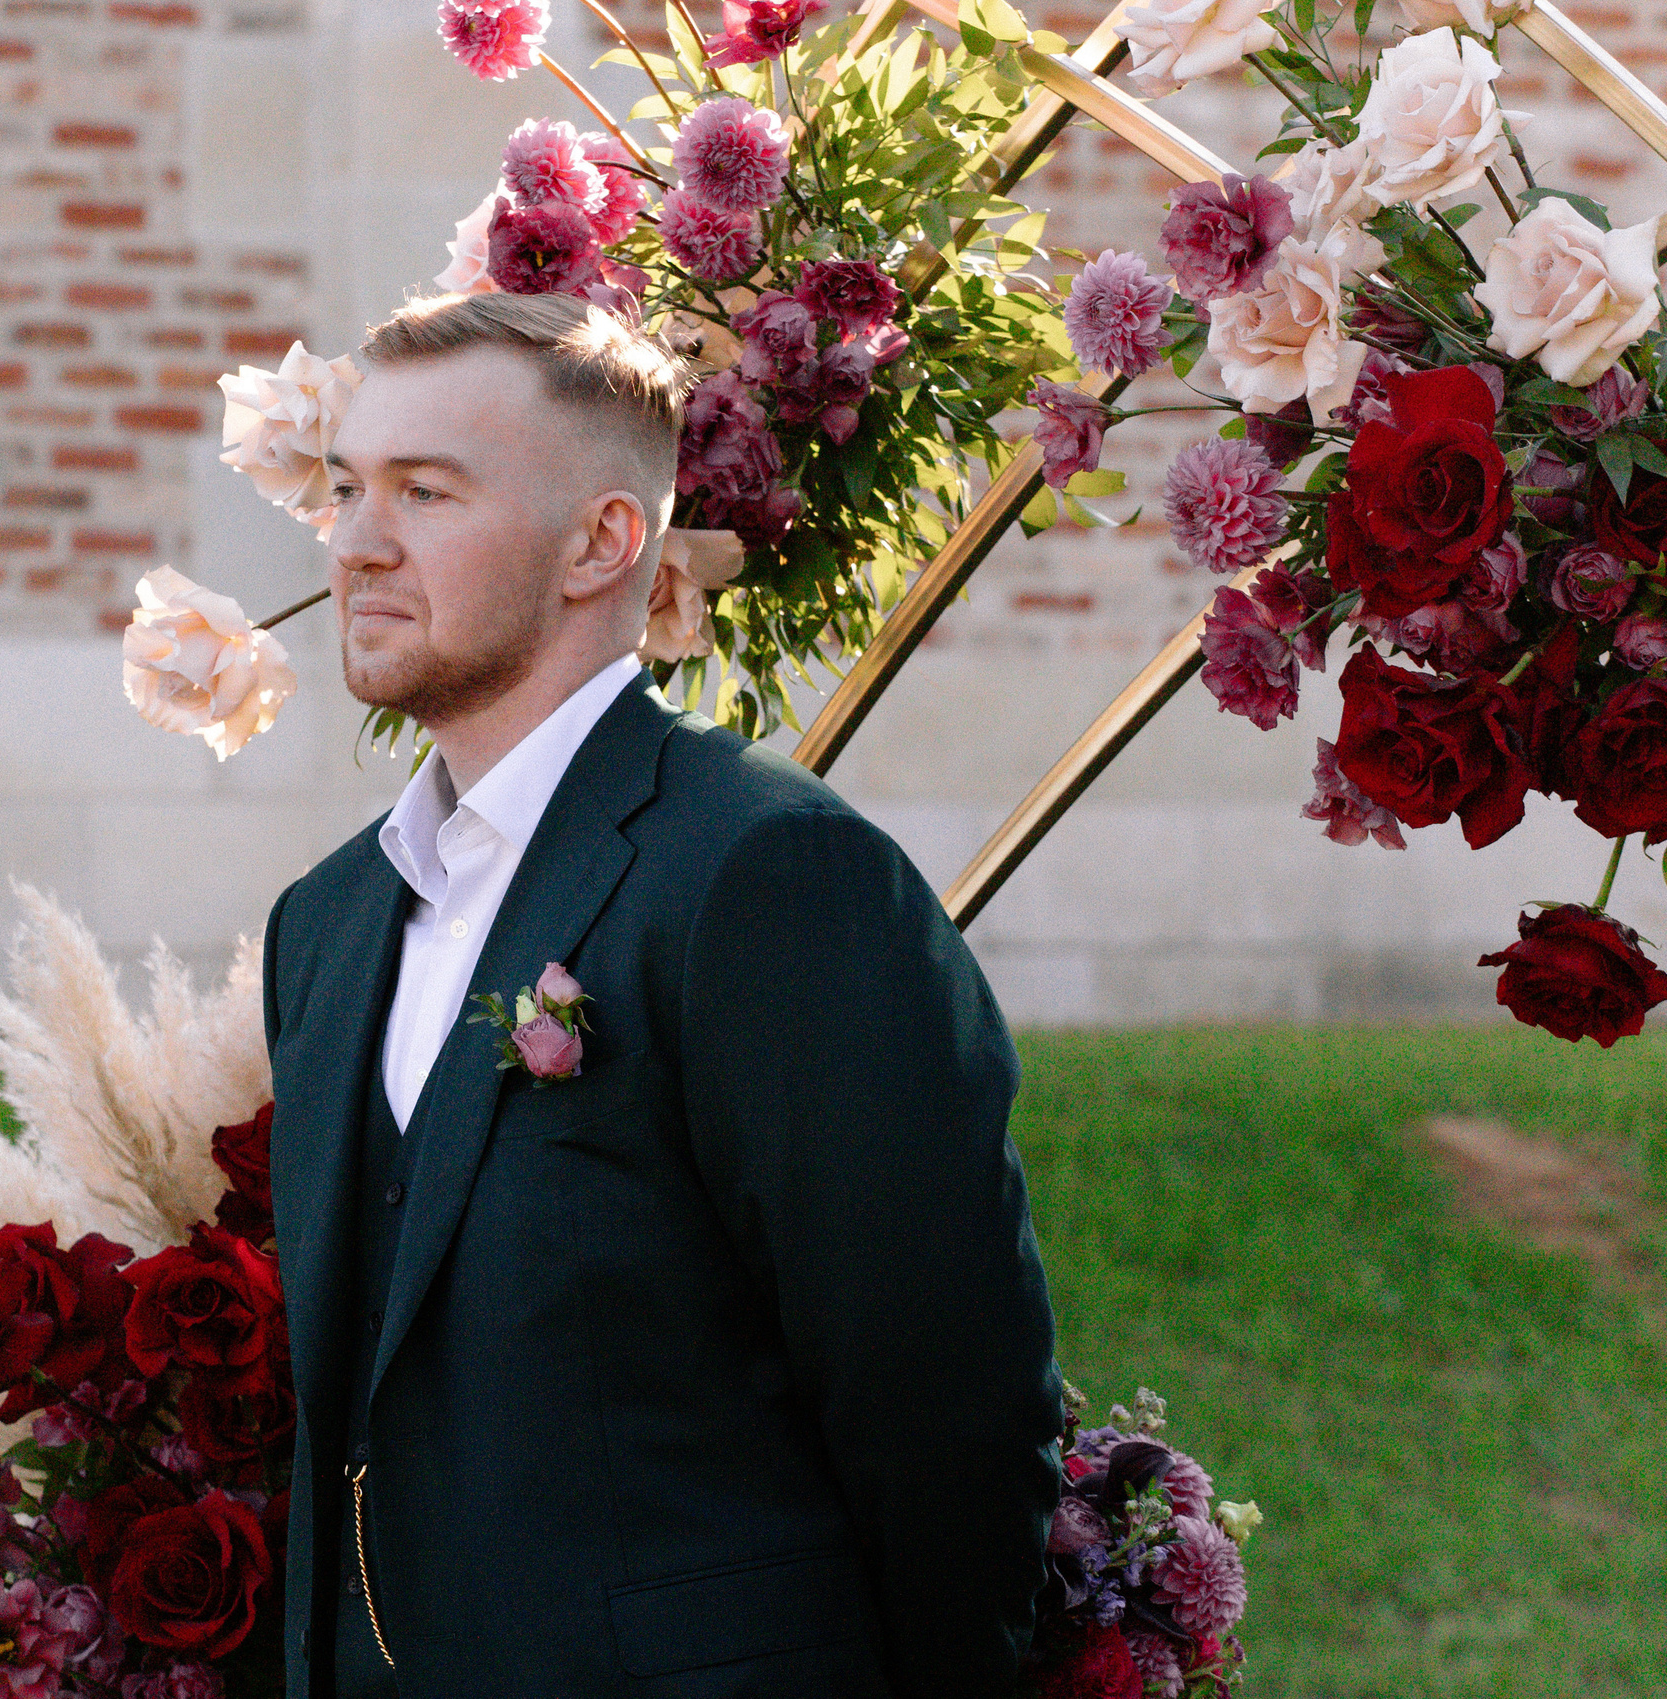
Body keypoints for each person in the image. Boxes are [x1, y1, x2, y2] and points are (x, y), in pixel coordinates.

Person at [259, 290, 1061, 1699]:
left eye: (425, 493)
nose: (357, 543)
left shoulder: (771, 876)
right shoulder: (322, 927)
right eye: (346, 489)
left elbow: (944, 1415)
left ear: (603, 542)